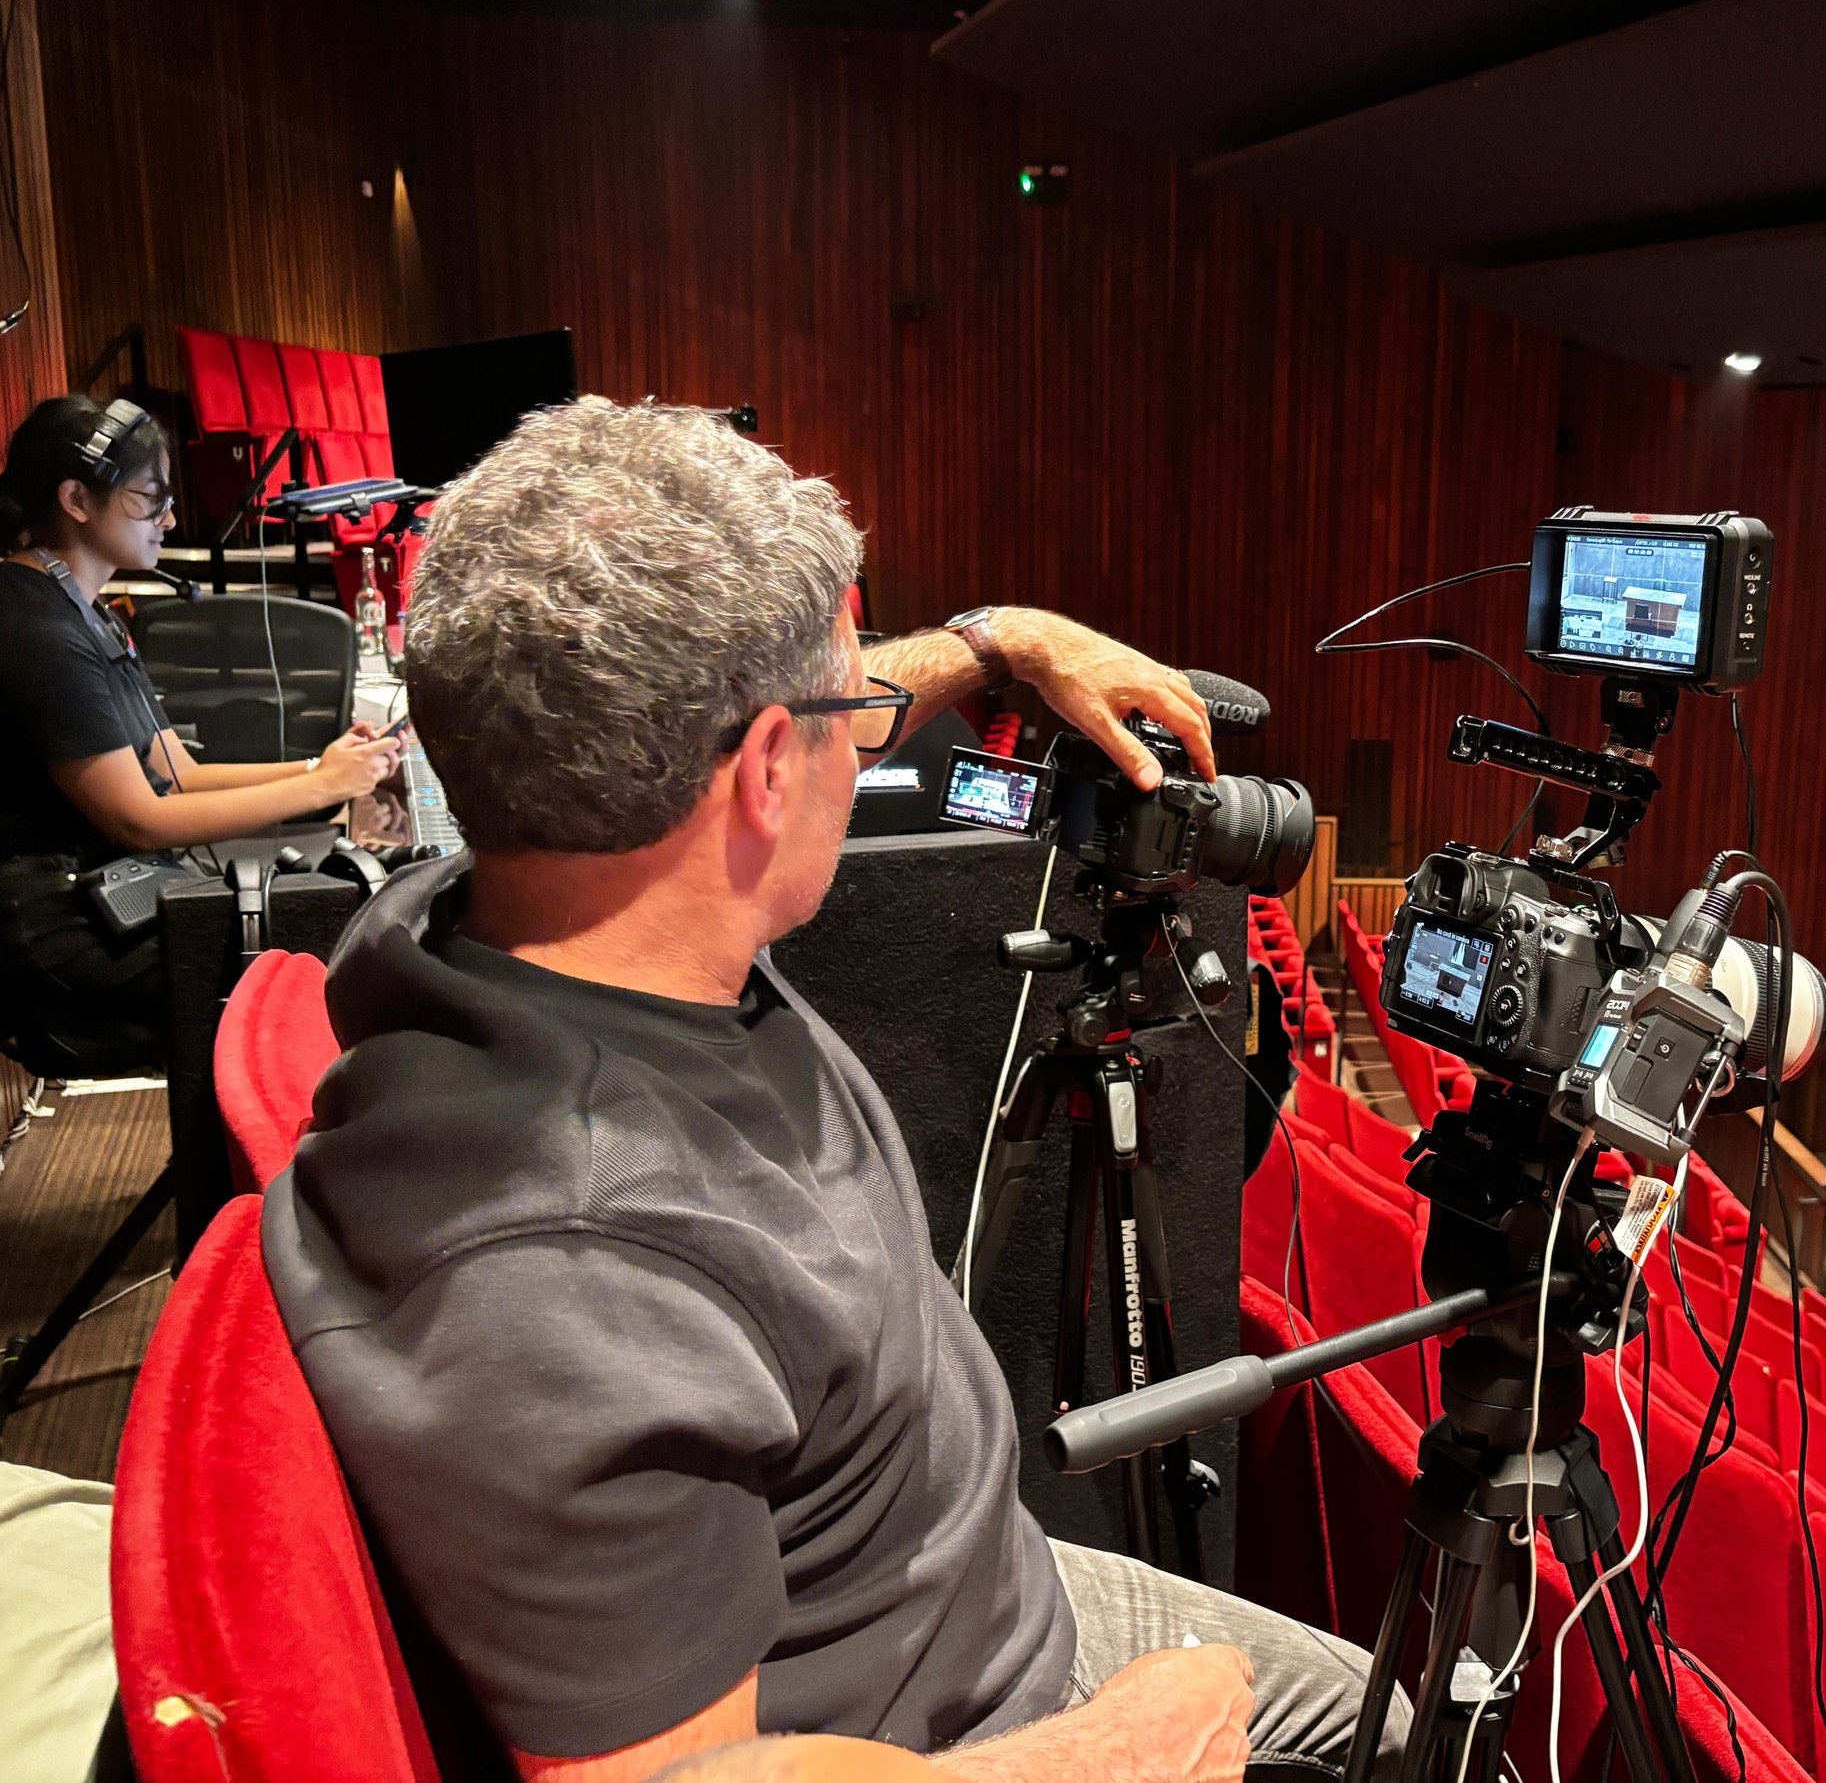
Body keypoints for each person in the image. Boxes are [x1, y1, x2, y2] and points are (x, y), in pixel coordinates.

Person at [260, 399, 1405, 1783]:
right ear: (759, 772)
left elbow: (763, 700)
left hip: (977, 1590)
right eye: (847, 715)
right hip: (971, 1718)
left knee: (1402, 1722)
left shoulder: (517, 886)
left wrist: (999, 642)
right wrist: (1110, 1752)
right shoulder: (573, 1273)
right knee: (1424, 1740)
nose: (867, 736)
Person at [0, 395, 402, 1054]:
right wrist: (326, 786)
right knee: (323, 966)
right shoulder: (37, 629)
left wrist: (319, 768)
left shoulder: (86, 613)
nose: (171, 516)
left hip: (111, 894)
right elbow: (142, 818)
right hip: (61, 926)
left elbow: (176, 774)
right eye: (148, 497)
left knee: (325, 925)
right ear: (76, 499)